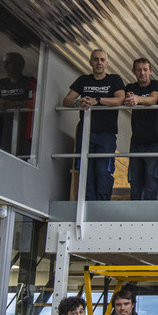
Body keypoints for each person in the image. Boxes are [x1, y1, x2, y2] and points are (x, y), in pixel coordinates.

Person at [63, 49, 125, 201]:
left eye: (102, 60)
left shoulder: (114, 79)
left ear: (107, 63)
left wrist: (97, 100)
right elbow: (66, 101)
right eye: (96, 59)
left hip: (106, 133)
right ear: (90, 62)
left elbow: (120, 99)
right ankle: (87, 205)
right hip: (86, 132)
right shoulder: (83, 80)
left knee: (103, 171)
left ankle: (101, 205)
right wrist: (79, 102)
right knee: (86, 171)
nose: (99, 63)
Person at [123, 58, 158, 200]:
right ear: (134, 72)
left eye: (145, 69)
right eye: (139, 70)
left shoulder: (157, 85)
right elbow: (124, 98)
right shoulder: (130, 87)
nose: (142, 73)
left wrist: (137, 99)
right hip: (136, 141)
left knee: (152, 180)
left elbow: (153, 99)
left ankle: (152, 216)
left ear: (151, 71)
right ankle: (136, 216)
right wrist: (129, 98)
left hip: (155, 141)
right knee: (135, 181)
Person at [0, 52, 37, 157]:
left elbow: (36, 103)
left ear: (19, 65)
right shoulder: (2, 83)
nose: (5, 66)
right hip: (4, 128)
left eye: (9, 63)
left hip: (24, 129)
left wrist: (14, 104)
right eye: (4, 63)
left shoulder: (30, 82)